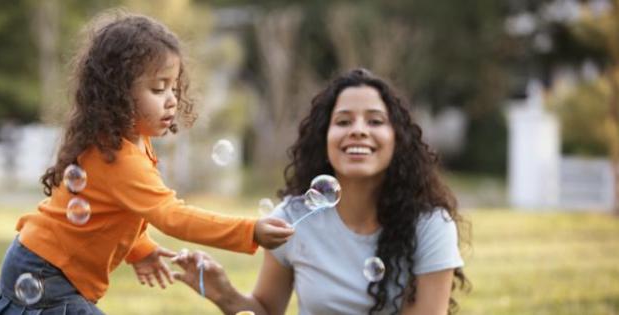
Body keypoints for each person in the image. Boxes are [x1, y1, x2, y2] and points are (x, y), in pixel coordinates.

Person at [0, 11, 293, 315]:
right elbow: (171, 216)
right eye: (159, 89)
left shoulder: (125, 142)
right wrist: (250, 231)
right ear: (118, 92)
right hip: (47, 276)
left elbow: (108, 212)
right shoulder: (118, 157)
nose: (172, 99)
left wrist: (140, 249)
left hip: (40, 266)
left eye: (174, 87)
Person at [172, 68, 470, 315]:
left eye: (375, 121)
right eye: (343, 121)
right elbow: (265, 309)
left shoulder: (429, 224)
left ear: (398, 140)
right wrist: (224, 293)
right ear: (324, 140)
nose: (358, 130)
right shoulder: (294, 219)